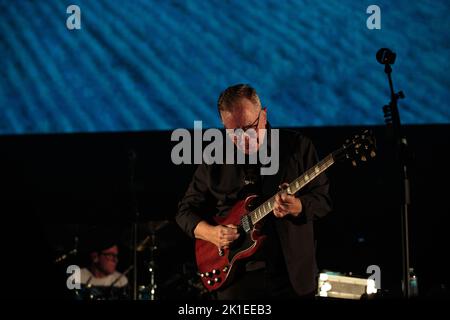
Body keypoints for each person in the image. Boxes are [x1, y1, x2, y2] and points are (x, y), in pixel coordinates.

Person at [176, 84, 332, 299]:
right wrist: (211, 233)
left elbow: (323, 201)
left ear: (264, 115)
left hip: (290, 275)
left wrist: (298, 206)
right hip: (235, 279)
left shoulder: (297, 147)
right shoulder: (214, 158)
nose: (243, 138)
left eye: (250, 127)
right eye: (233, 132)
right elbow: (185, 211)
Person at [77, 229, 129, 300]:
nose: (115, 260)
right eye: (110, 255)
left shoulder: (121, 281)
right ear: (95, 257)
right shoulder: (78, 278)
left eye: (116, 256)